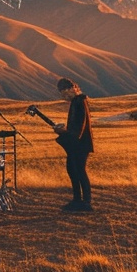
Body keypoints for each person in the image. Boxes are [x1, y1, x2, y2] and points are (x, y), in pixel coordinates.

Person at [53, 77, 94, 212]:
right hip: (77, 142)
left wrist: (66, 132)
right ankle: (78, 200)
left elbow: (79, 126)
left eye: (65, 93)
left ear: (71, 89)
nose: (64, 97)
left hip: (79, 144)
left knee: (79, 171)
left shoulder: (79, 102)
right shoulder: (77, 101)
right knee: (73, 170)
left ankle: (85, 202)